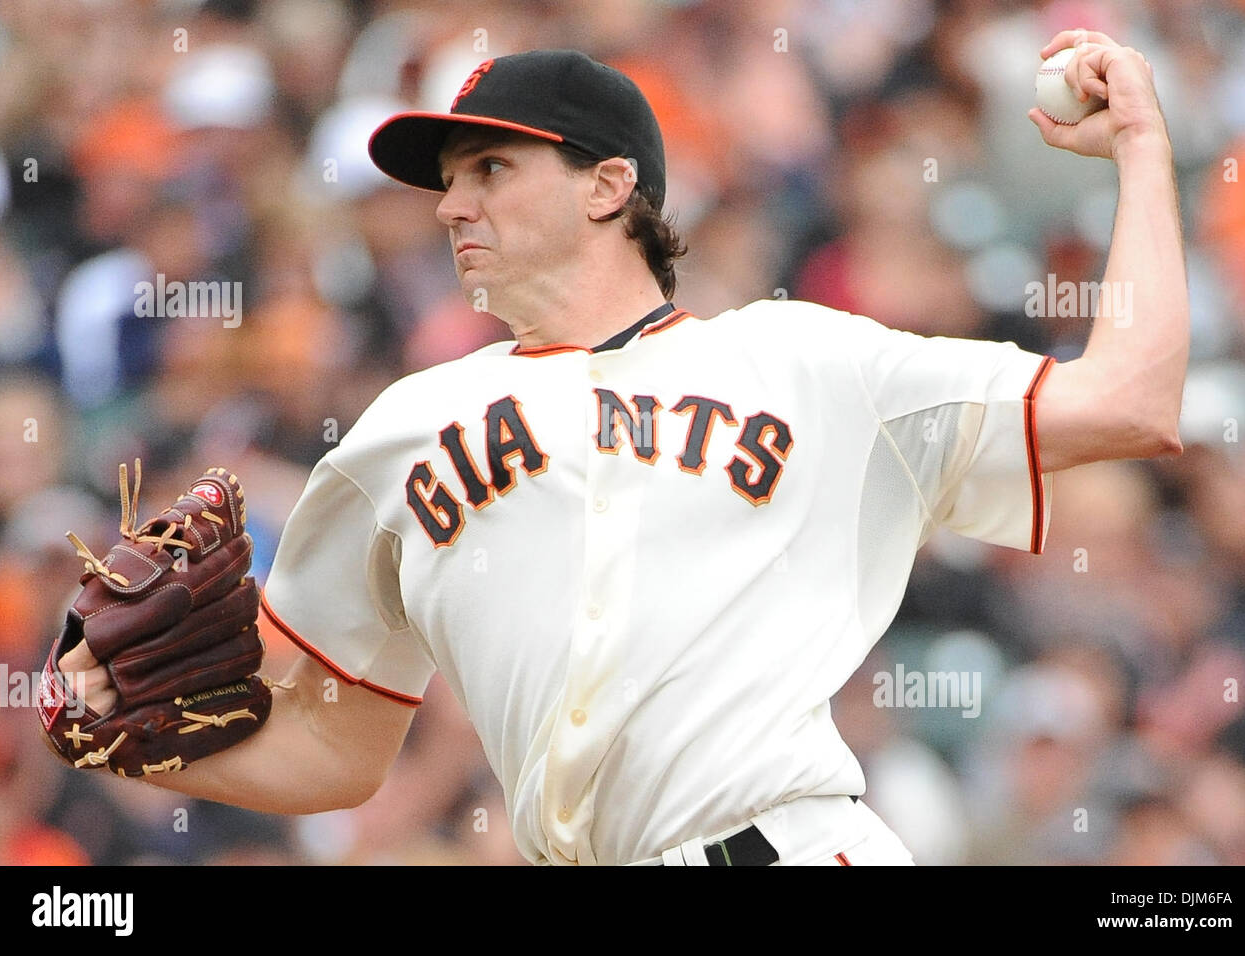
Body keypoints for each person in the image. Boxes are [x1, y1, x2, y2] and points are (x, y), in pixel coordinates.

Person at [58, 34, 1187, 865]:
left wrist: (1140, 150)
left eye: (492, 169)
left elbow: (1131, 399)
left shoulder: (806, 361)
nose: (453, 205)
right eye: (447, 183)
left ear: (610, 186)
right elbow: (341, 748)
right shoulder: (404, 428)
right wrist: (129, 746)